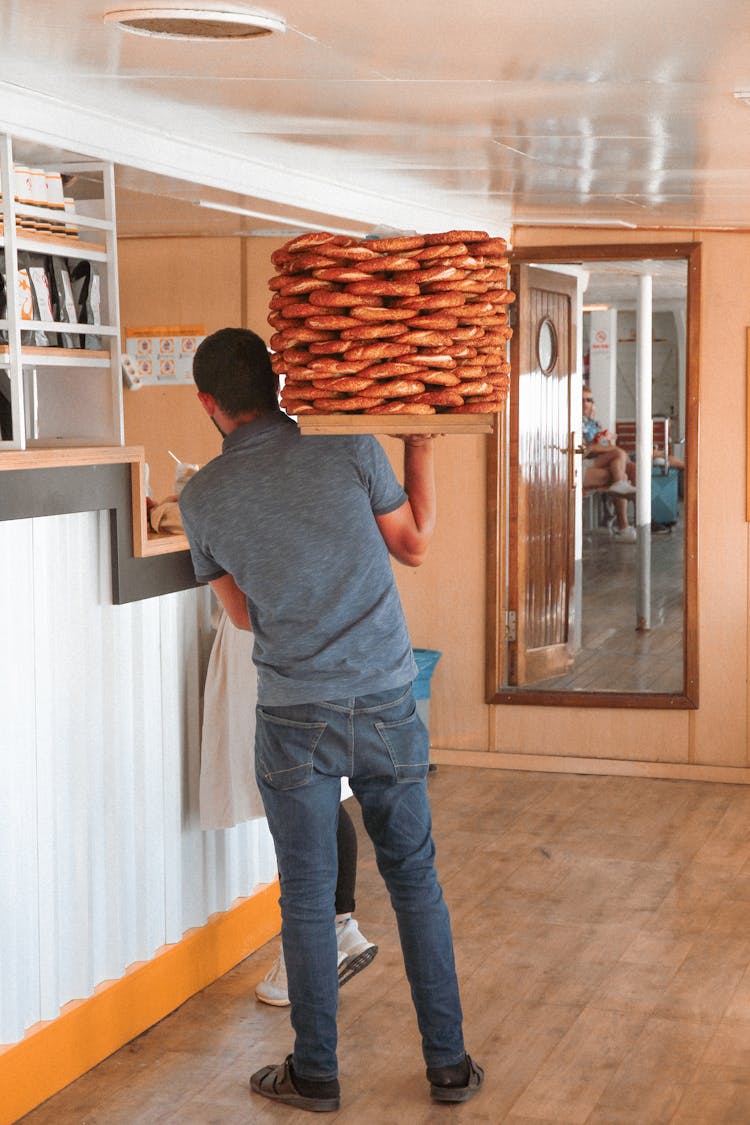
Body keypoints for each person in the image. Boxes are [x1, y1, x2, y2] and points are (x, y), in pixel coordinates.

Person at [178, 327, 482, 1113]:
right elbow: (411, 543)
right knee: (415, 880)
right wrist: (420, 443)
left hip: (291, 716)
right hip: (384, 698)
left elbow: (242, 617)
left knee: (308, 897)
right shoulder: (349, 445)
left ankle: (315, 1072)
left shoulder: (202, 495)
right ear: (279, 388)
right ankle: (448, 1066)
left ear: (209, 404)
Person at [581, 388, 637, 542]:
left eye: (588, 400)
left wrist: (607, 443)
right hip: (582, 463)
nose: (585, 404)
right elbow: (585, 449)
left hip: (598, 462)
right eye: (582, 400)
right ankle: (626, 525)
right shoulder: (575, 421)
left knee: (626, 469)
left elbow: (601, 444)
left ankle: (629, 522)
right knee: (619, 455)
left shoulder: (593, 423)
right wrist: (612, 447)